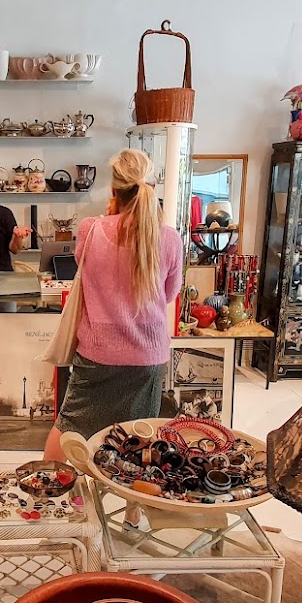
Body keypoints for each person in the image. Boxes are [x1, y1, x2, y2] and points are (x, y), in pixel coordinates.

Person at [42, 148, 184, 461]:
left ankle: (46, 486)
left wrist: (109, 217)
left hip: (98, 354)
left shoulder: (90, 229)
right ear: (152, 188)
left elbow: (85, 270)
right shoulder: (170, 238)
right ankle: (125, 494)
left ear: (113, 190)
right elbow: (169, 295)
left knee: (69, 425)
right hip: (148, 357)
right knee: (140, 435)